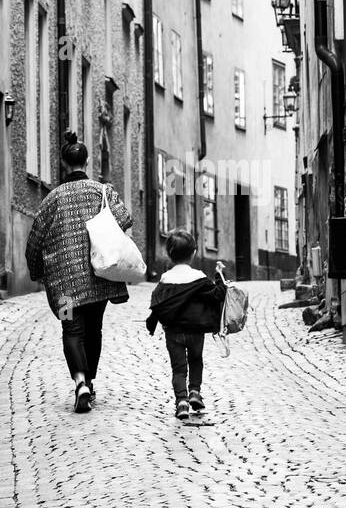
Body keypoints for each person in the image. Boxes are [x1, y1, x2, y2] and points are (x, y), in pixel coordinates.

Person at [26, 132, 134, 413]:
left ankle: (80, 382)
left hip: (63, 285)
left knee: (70, 328)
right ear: (86, 162)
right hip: (98, 278)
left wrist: (37, 271)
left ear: (63, 163)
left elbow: (35, 240)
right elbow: (125, 218)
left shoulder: (52, 199)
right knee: (93, 329)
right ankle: (91, 383)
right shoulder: (102, 191)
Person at [146, 229, 227, 420]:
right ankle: (195, 392)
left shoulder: (165, 279)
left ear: (169, 254)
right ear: (193, 253)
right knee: (196, 360)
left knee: (178, 369)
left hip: (173, 333)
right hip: (196, 331)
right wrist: (219, 275)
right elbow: (217, 294)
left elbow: (157, 303)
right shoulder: (198, 277)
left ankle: (181, 402)